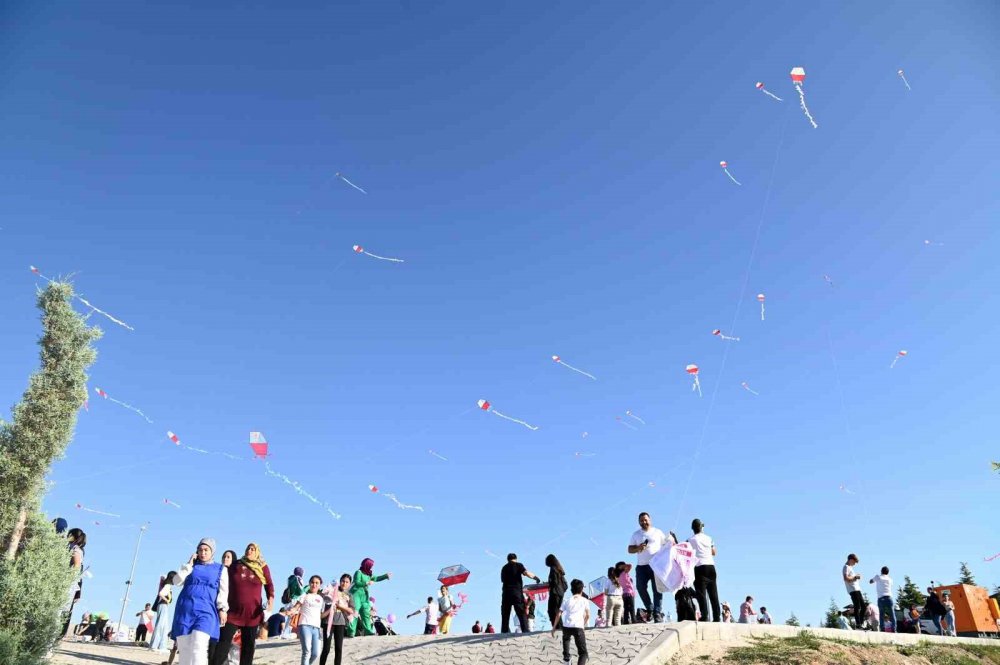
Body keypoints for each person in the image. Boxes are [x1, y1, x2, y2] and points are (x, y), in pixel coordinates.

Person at [211, 543, 273, 665]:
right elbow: (222, 579)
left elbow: (269, 584)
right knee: (223, 644)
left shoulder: (263, 567)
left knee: (248, 648)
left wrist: (270, 599)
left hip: (252, 615)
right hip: (233, 613)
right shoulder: (236, 565)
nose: (249, 550)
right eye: (248, 548)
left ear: (257, 552)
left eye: (252, 549)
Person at [171, 538, 229, 665]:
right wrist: (188, 565)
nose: (203, 553)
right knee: (185, 650)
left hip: (206, 611)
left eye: (206, 550)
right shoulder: (190, 567)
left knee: (199, 646)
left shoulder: (220, 569)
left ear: (212, 551)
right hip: (185, 611)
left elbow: (223, 591)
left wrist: (222, 609)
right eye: (200, 550)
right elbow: (176, 581)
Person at [627, 512, 668, 623]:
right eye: (641, 520)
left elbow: (666, 545)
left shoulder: (658, 532)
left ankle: (657, 613)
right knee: (640, 588)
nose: (644, 522)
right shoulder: (636, 534)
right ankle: (649, 608)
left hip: (656, 565)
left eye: (645, 520)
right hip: (642, 566)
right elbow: (629, 549)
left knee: (657, 589)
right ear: (639, 522)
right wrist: (638, 548)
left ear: (650, 520)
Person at [347, 558, 391, 637]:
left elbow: (376, 578)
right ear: (366, 565)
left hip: (364, 596)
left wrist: (385, 576)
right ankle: (351, 631)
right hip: (356, 595)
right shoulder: (358, 572)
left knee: (365, 613)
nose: (371, 567)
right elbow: (357, 582)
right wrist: (366, 583)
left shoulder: (369, 574)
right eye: (370, 565)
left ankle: (368, 631)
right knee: (355, 613)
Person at [687, 519, 719, 623]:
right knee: (713, 593)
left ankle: (704, 616)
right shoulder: (709, 538)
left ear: (693, 528)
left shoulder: (690, 540)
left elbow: (685, 551)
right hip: (711, 566)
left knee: (701, 594)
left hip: (699, 567)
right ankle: (717, 617)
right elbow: (714, 552)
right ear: (701, 527)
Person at [500, 553, 541, 633]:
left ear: (508, 559)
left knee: (505, 615)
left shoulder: (504, 568)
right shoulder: (518, 565)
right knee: (521, 614)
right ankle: (525, 631)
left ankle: (504, 632)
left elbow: (502, 580)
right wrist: (535, 577)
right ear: (516, 559)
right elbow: (526, 573)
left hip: (506, 593)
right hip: (516, 593)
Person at [551, 578, 589, 665]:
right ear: (582, 589)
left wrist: (553, 628)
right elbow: (588, 615)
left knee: (566, 638)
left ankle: (566, 658)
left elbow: (559, 614)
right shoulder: (584, 600)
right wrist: (583, 625)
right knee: (583, 653)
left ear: (571, 590)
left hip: (567, 626)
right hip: (578, 627)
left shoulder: (567, 600)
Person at [320, 573, 353, 665]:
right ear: (340, 581)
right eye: (343, 581)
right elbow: (323, 596)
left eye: (347, 582)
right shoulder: (332, 590)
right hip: (328, 621)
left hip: (341, 622)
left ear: (350, 583)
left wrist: (340, 606)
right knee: (326, 648)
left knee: (338, 648)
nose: (344, 583)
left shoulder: (349, 595)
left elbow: (351, 610)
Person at [292, 575, 324, 665]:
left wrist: (331, 610)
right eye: (312, 582)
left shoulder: (321, 599)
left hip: (317, 628)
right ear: (309, 584)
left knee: (316, 653)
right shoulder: (304, 596)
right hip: (305, 625)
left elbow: (321, 615)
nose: (314, 585)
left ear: (320, 585)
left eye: (317, 583)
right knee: (306, 651)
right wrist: (290, 611)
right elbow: (296, 607)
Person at [62, 527, 87, 637]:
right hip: (68, 584)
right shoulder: (71, 547)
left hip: (67, 585)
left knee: (61, 613)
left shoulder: (76, 549)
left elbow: (76, 568)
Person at [149, 571, 177, 652]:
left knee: (164, 626)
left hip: (163, 605)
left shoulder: (167, 584)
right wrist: (167, 600)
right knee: (160, 625)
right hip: (163, 604)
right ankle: (154, 645)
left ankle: (162, 646)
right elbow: (161, 594)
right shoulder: (168, 585)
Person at [545, 554, 569, 627]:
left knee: (552, 610)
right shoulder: (559, 569)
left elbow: (554, 581)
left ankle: (557, 626)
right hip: (560, 592)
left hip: (555, 592)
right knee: (556, 610)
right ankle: (558, 626)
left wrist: (549, 584)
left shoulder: (553, 569)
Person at [868, 566, 894, 632]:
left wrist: (875, 580)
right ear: (888, 572)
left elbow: (870, 581)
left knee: (881, 614)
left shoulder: (878, 577)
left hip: (881, 598)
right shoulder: (890, 579)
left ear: (881, 571)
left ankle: (882, 629)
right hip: (889, 597)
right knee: (892, 614)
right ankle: (894, 629)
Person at [842, 554, 864, 629]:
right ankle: (858, 625)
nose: (855, 564)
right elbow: (845, 578)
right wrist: (855, 577)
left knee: (863, 607)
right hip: (853, 589)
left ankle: (860, 624)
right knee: (857, 606)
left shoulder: (850, 567)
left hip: (857, 589)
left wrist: (855, 577)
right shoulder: (846, 567)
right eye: (854, 562)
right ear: (851, 559)